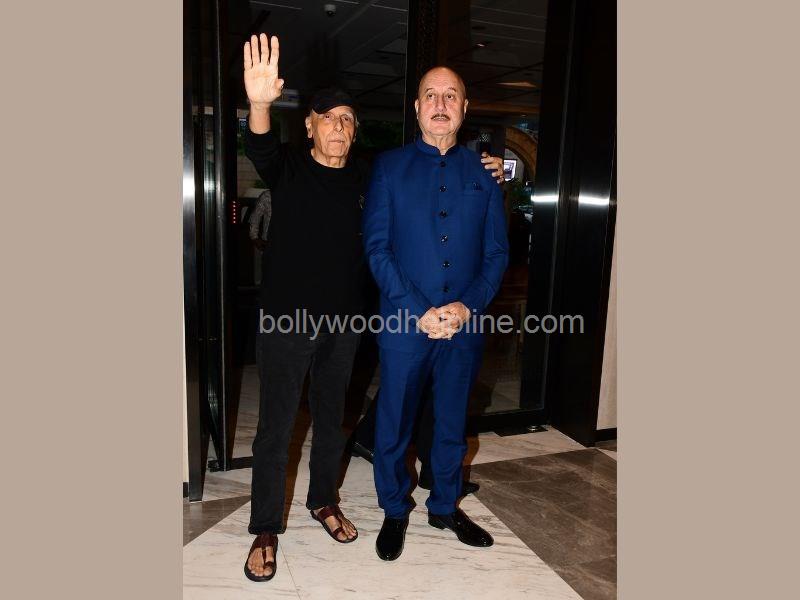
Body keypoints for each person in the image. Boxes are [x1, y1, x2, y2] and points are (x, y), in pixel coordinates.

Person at [240, 34, 505, 582]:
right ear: (308, 126)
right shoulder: (299, 168)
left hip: (349, 324)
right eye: (327, 118)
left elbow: (481, 240)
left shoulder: (378, 172)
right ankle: (272, 526)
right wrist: (260, 104)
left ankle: (337, 501)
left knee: (340, 422)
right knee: (280, 427)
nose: (338, 127)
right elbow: (263, 150)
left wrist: (492, 168)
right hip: (297, 320)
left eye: (347, 119)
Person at [363, 66, 510, 561]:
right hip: (405, 324)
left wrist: (468, 305)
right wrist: (419, 311)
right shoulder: (389, 167)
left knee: (451, 422)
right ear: (417, 107)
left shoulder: (485, 174)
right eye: (431, 95)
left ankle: (445, 506)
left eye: (451, 96)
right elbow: (377, 249)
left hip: (464, 325)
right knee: (394, 423)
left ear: (464, 109)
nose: (441, 104)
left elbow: (497, 254)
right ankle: (394, 509)